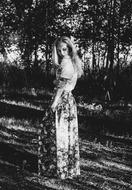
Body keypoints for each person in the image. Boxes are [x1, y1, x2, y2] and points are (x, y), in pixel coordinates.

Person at [38, 36, 83, 179]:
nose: (62, 52)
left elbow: (61, 86)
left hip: (63, 100)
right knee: (63, 133)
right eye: (59, 50)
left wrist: (54, 103)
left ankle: (60, 169)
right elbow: (62, 82)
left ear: (70, 48)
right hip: (67, 100)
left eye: (65, 49)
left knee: (59, 133)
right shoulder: (68, 62)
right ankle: (63, 168)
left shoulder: (68, 64)